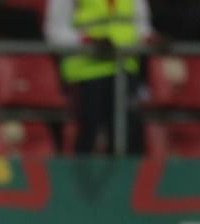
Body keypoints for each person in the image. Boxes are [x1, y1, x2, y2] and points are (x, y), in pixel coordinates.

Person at [44, 0, 155, 155]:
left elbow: (141, 27)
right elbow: (54, 32)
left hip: (125, 69)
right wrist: (88, 41)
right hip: (86, 73)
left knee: (128, 136)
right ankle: (77, 178)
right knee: (88, 136)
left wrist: (151, 38)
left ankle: (125, 178)